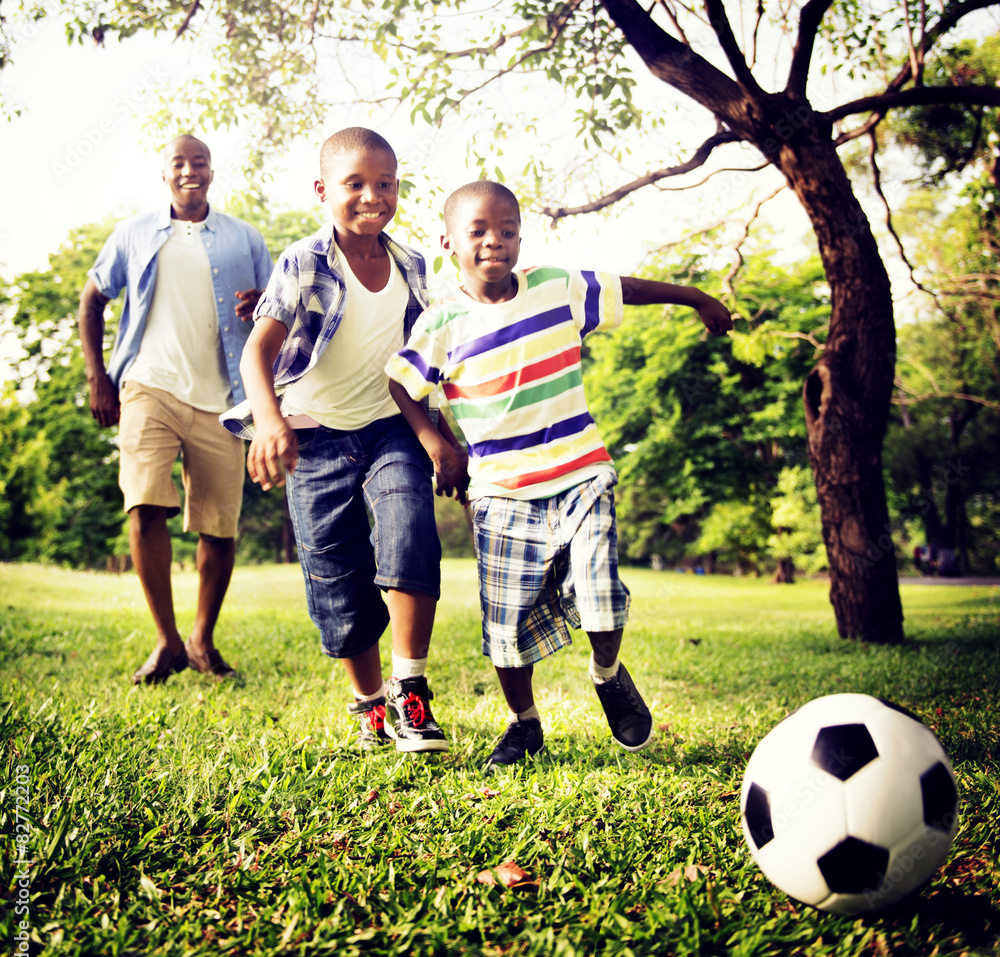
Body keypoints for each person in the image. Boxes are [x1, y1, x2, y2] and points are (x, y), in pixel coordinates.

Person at [385, 180, 733, 768]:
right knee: (506, 623)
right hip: (501, 491)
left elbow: (627, 287)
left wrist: (695, 296)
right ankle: (523, 724)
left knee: (600, 595)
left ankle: (608, 674)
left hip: (581, 474)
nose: (494, 241)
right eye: (478, 232)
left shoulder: (555, 288)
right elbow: (402, 383)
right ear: (448, 242)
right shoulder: (442, 322)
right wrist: (438, 446)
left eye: (508, 230)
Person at [223, 127, 466, 753]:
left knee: (410, 527)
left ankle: (410, 689)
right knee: (335, 570)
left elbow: (421, 366)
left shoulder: (411, 265)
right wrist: (271, 421)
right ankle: (369, 701)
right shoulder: (304, 261)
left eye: (384, 184)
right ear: (322, 190)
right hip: (314, 435)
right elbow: (259, 351)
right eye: (354, 184)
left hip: (390, 426)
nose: (371, 196)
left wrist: (439, 436)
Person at [79, 134, 273, 686]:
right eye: (179, 163)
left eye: (200, 162)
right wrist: (99, 377)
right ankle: (165, 641)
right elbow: (92, 300)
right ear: (164, 173)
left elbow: (277, 313)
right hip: (148, 385)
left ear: (212, 171)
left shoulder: (245, 238)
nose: (190, 171)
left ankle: (201, 640)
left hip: (224, 398)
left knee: (219, 526)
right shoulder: (133, 234)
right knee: (144, 505)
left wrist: (260, 308)